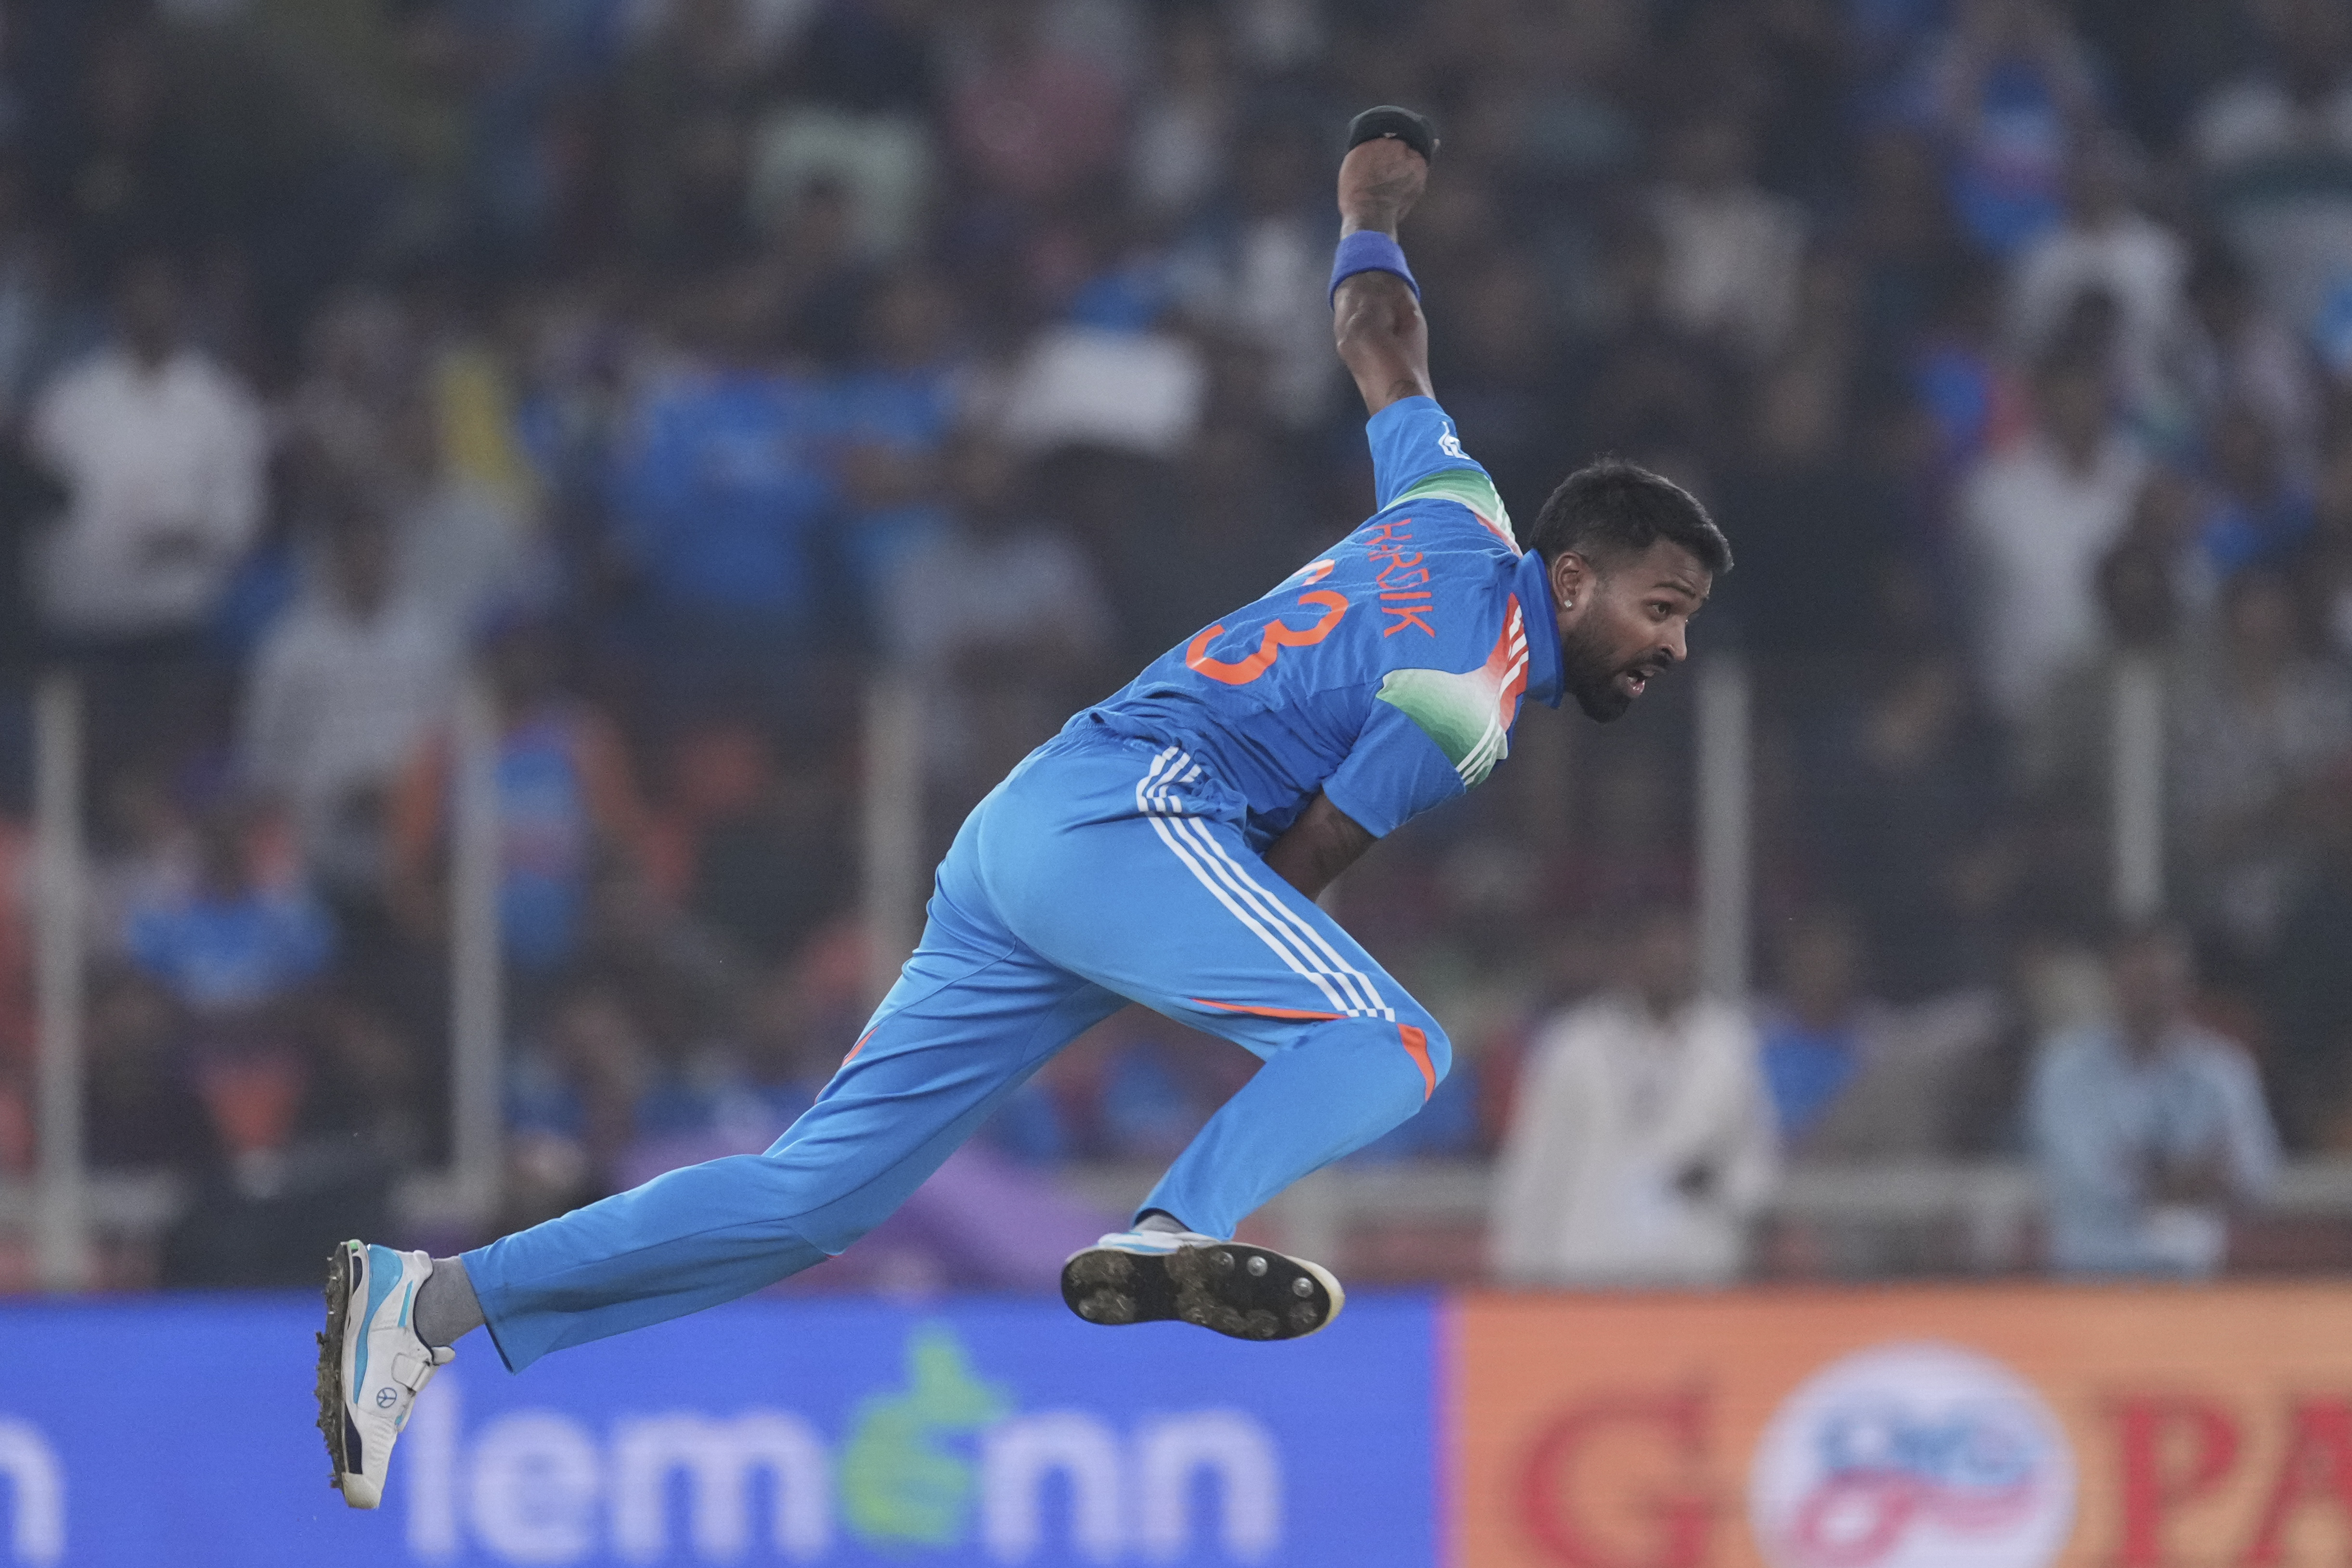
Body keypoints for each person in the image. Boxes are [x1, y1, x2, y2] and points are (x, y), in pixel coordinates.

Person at [318, 108, 1732, 1511]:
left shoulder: (1453, 504)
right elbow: (1301, 860)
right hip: (1124, 822)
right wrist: (1192, 989)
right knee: (1390, 1040)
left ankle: (425, 1302)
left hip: (1032, 830)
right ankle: (1180, 1220)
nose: (1668, 645)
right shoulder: (1462, 700)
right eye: (1656, 607)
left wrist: (1367, 207)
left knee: (816, 1196)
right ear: (1567, 579)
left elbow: (1380, 342)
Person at [1488, 907, 1778, 1287]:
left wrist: (1717, 1181)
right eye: (1653, 947)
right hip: (1588, 1269)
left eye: (1675, 946)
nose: (1665, 959)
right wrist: (1518, 1271)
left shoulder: (1728, 1043)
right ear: (1627, 956)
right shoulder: (1575, 1042)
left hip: (1695, 1270)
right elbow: (1536, 1164)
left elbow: (1757, 1163)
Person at [2029, 921, 2279, 1276]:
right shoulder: (2064, 1069)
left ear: (2187, 984)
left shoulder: (2224, 1070)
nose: (2152, 994)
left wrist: (2146, 1173)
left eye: (2163, 982)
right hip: (2090, 1279)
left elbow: (2254, 1176)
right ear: (2114, 982)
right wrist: (2193, 1177)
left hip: (2191, 1281)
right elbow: (2087, 1178)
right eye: (2141, 982)